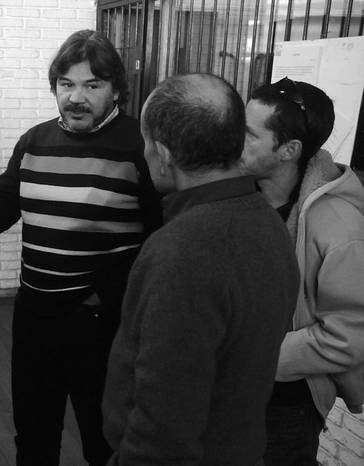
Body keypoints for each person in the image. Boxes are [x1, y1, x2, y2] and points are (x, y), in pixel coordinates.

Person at [0, 29, 161, 466]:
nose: (77, 97)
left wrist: (109, 295)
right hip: (34, 315)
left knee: (102, 436)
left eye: (93, 85)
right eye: (67, 84)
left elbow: (160, 238)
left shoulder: (139, 146)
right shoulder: (34, 141)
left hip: (100, 320)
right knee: (33, 434)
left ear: (115, 90)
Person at [102, 73, 300, 465]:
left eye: (145, 143)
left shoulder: (183, 251)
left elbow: (164, 430)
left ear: (164, 152)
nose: (144, 154)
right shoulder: (267, 222)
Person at [240, 77, 364, 466]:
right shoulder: (242, 197)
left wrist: (257, 358)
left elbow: (347, 336)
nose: (234, 140)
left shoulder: (339, 225)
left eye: (248, 134)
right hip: (233, 390)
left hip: (287, 407)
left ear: (288, 150)